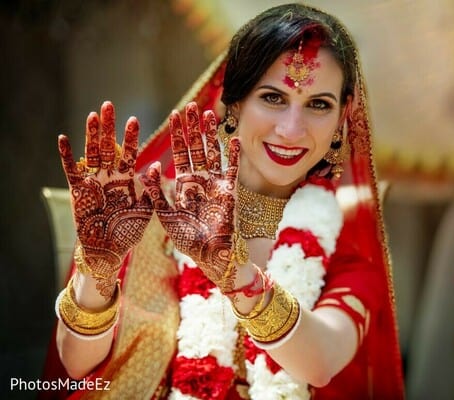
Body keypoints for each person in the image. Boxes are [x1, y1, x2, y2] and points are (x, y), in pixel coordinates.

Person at [41, 3, 404, 399]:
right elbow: (77, 364)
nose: (290, 130)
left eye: (318, 104)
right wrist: (98, 271)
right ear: (234, 100)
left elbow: (319, 361)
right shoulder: (161, 210)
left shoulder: (346, 244)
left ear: (343, 114)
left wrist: (236, 277)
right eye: (273, 98)